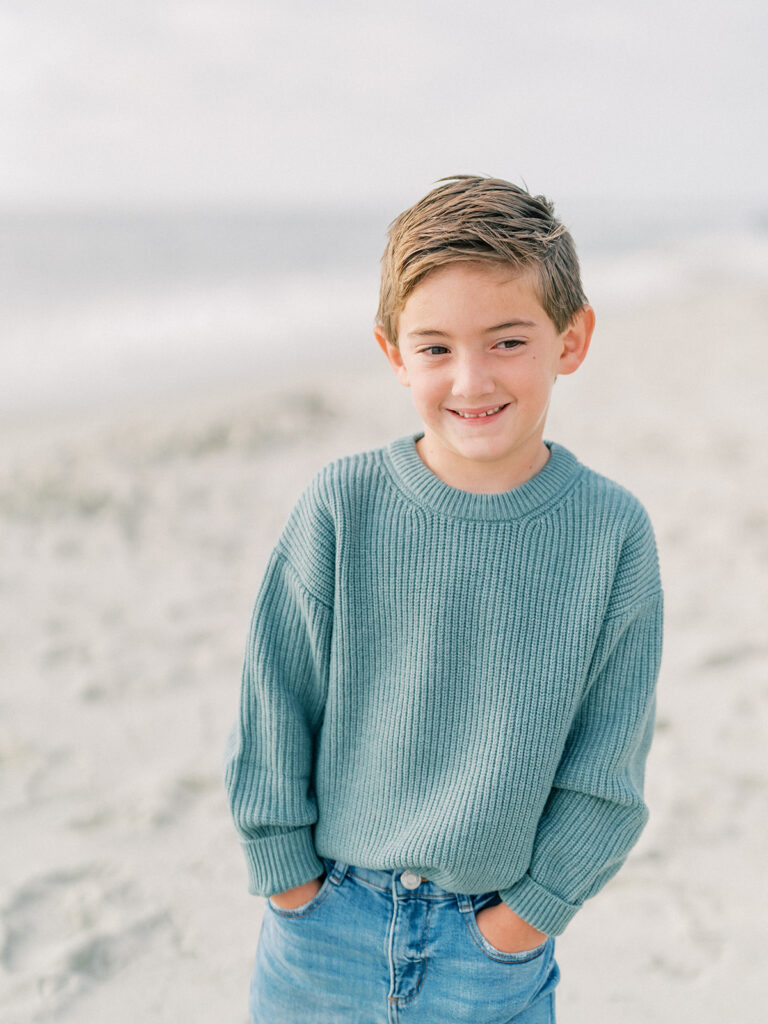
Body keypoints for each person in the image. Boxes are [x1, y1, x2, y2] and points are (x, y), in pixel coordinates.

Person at [223, 175, 664, 1023]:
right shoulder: (342, 505)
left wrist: (523, 920)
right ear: (393, 353)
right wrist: (287, 879)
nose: (470, 378)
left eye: (507, 341)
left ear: (571, 340)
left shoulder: (610, 532)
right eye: (435, 348)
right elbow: (275, 698)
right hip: (323, 928)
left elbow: (607, 767)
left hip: (492, 948)